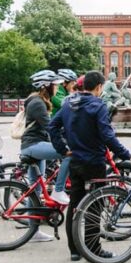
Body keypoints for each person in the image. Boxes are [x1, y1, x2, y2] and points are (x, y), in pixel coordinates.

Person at [48, 70, 131, 261]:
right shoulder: (98, 105)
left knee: (75, 204)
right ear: (99, 86)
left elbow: (52, 127)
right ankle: (93, 249)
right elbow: (108, 136)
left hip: (75, 161)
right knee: (95, 206)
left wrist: (63, 149)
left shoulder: (68, 103)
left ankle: (74, 250)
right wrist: (128, 155)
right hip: (94, 162)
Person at [20, 70, 71, 242]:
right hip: (33, 146)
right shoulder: (37, 103)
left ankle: (33, 232)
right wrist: (65, 146)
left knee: (35, 190)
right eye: (54, 85)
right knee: (69, 155)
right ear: (45, 86)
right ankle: (58, 190)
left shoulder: (38, 101)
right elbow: (51, 127)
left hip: (33, 145)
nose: (56, 87)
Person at [50, 69, 79, 204]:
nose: (73, 85)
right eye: (72, 83)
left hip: (60, 129)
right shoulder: (58, 93)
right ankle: (58, 189)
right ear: (64, 82)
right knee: (69, 154)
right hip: (54, 131)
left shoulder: (65, 92)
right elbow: (64, 103)